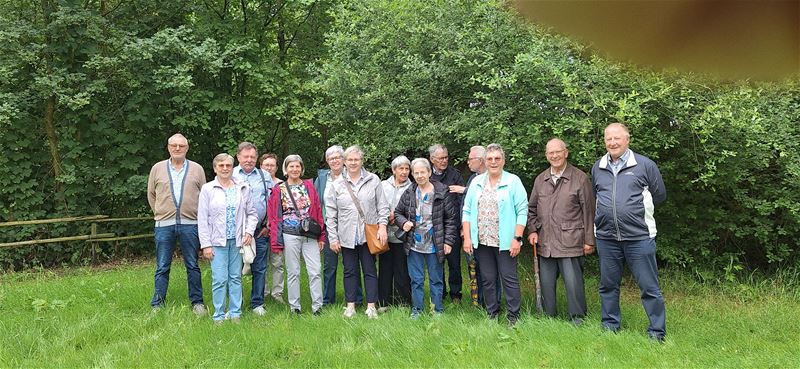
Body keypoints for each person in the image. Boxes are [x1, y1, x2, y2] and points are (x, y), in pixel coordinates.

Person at [592, 123, 667, 342]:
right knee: (608, 286)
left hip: (639, 237)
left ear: (627, 139)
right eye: (608, 139)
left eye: (617, 138)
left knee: (649, 287)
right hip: (606, 238)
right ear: (604, 141)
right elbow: (596, 196)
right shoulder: (598, 166)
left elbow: (659, 195)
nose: (612, 143)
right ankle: (610, 326)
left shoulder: (644, 165)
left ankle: (656, 332)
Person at [527, 138, 595, 325]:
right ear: (546, 155)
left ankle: (577, 318)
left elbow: (589, 211)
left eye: (558, 152)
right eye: (551, 152)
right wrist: (532, 230)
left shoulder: (580, 178)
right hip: (545, 242)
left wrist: (589, 241)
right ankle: (549, 318)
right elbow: (531, 209)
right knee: (547, 284)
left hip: (571, 241)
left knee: (573, 284)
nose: (554, 155)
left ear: (566, 153)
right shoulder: (541, 179)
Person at [462, 143, 528, 327]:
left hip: (506, 242)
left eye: (497, 158)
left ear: (503, 161)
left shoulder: (513, 181)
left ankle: (514, 316)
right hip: (482, 241)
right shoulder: (476, 182)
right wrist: (467, 238)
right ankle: (492, 313)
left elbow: (522, 210)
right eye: (490, 159)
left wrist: (517, 238)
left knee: (508, 278)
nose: (493, 162)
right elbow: (466, 211)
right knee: (488, 279)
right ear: (484, 161)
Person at [325, 145, 389, 319]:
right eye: (350, 160)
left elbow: (382, 206)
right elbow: (331, 214)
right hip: (346, 235)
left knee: (369, 270)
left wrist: (382, 227)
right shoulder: (336, 184)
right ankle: (351, 306)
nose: (353, 163)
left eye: (356, 159)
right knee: (349, 271)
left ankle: (371, 307)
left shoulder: (373, 180)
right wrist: (333, 238)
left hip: (368, 235)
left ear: (362, 161)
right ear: (344, 162)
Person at [147, 133, 207, 315]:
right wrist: (161, 212)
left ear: (187, 148)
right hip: (164, 225)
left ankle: (197, 303)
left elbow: (204, 196)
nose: (178, 148)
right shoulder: (157, 168)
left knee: (193, 265)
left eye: (181, 145)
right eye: (174, 145)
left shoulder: (197, 169)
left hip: (191, 224)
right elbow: (151, 195)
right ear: (168, 147)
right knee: (162, 266)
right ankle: (157, 304)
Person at [394, 158, 458, 319]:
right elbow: (397, 213)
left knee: (436, 280)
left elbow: (451, 219)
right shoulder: (409, 192)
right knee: (416, 280)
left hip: (435, 244)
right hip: (414, 244)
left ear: (429, 173)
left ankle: (437, 310)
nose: (420, 175)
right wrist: (403, 223)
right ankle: (417, 310)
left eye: (423, 172)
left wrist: (448, 242)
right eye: (416, 172)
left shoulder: (442, 192)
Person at [198, 153, 258, 324]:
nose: (225, 168)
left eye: (228, 166)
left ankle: (235, 313)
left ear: (233, 168)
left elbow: (252, 213)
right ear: (215, 168)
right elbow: (202, 219)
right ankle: (218, 314)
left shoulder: (242, 187)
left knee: (235, 278)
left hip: (238, 241)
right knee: (219, 279)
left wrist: (249, 231)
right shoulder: (208, 189)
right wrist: (206, 245)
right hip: (217, 242)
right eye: (221, 165)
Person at [267, 155, 326, 315]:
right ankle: (295, 307)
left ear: (302, 168)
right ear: (286, 169)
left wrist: (321, 235)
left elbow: (318, 211)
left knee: (315, 270)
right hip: (289, 235)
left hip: (310, 235)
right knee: (293, 272)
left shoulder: (309, 186)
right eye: (291, 166)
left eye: (297, 166)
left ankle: (317, 307)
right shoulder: (279, 189)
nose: (295, 169)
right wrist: (276, 241)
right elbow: (274, 217)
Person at [314, 145, 363, 306]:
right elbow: (315, 203)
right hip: (329, 228)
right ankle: (328, 300)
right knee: (329, 266)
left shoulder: (352, 175)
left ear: (343, 160)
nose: (334, 161)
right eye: (331, 158)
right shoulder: (321, 179)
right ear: (327, 161)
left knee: (352, 265)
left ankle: (357, 299)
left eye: (337, 157)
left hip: (351, 227)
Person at [232, 142, 274, 316]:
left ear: (257, 158)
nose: (249, 160)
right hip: (236, 231)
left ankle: (257, 303)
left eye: (252, 157)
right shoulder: (230, 174)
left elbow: (272, 202)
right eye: (245, 156)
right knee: (235, 270)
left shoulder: (265, 176)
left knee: (260, 268)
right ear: (238, 157)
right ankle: (236, 303)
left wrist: (268, 225)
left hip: (260, 230)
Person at [428, 144, 464, 304]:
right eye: (441, 158)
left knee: (454, 263)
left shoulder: (455, 175)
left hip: (452, 226)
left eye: (446, 157)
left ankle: (456, 294)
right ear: (432, 159)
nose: (444, 160)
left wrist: (462, 225)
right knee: (437, 262)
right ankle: (440, 293)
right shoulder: (427, 176)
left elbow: (462, 201)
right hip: (434, 226)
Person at [378, 155, 413, 311]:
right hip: (384, 234)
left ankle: (403, 303)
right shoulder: (383, 185)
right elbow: (376, 205)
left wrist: (398, 218)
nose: (404, 172)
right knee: (385, 270)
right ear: (393, 170)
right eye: (401, 169)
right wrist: (386, 217)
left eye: (407, 169)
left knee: (402, 270)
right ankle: (383, 303)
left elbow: (414, 211)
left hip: (402, 236)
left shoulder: (412, 187)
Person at [260, 152, 286, 304]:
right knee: (261, 263)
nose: (269, 168)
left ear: (277, 167)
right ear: (261, 166)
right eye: (266, 165)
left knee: (277, 263)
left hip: (279, 230)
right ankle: (263, 292)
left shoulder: (282, 185)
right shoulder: (256, 182)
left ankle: (277, 294)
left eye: (272, 165)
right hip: (261, 229)